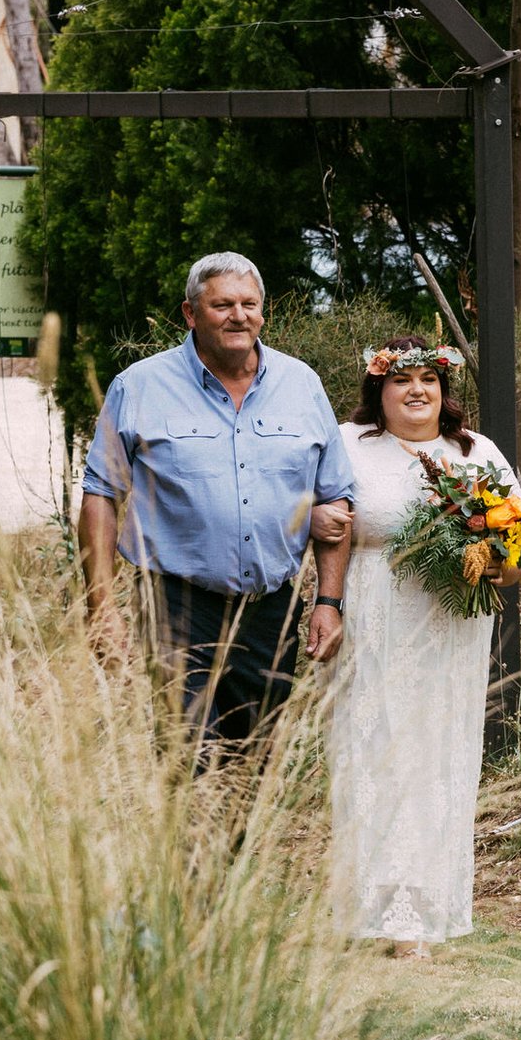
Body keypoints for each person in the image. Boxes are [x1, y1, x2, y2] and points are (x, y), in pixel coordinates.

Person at [79, 252, 356, 750]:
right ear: (190, 313)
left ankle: (242, 835)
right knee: (186, 762)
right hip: (177, 608)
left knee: (255, 761)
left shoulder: (302, 385)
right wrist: (101, 605)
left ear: (263, 313)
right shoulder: (140, 386)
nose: (238, 315)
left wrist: (328, 602)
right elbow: (101, 494)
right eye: (222, 304)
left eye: (249, 304)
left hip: (271, 611)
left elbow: (335, 500)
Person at [326, 335, 521, 946]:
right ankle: (371, 908)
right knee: (371, 749)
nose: (416, 391)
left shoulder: (475, 452)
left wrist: (499, 562)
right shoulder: (347, 445)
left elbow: (518, 550)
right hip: (372, 617)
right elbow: (319, 521)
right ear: (377, 391)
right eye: (401, 380)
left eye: (429, 381)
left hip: (449, 626)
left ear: (444, 392)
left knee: (437, 753)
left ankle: (426, 908)